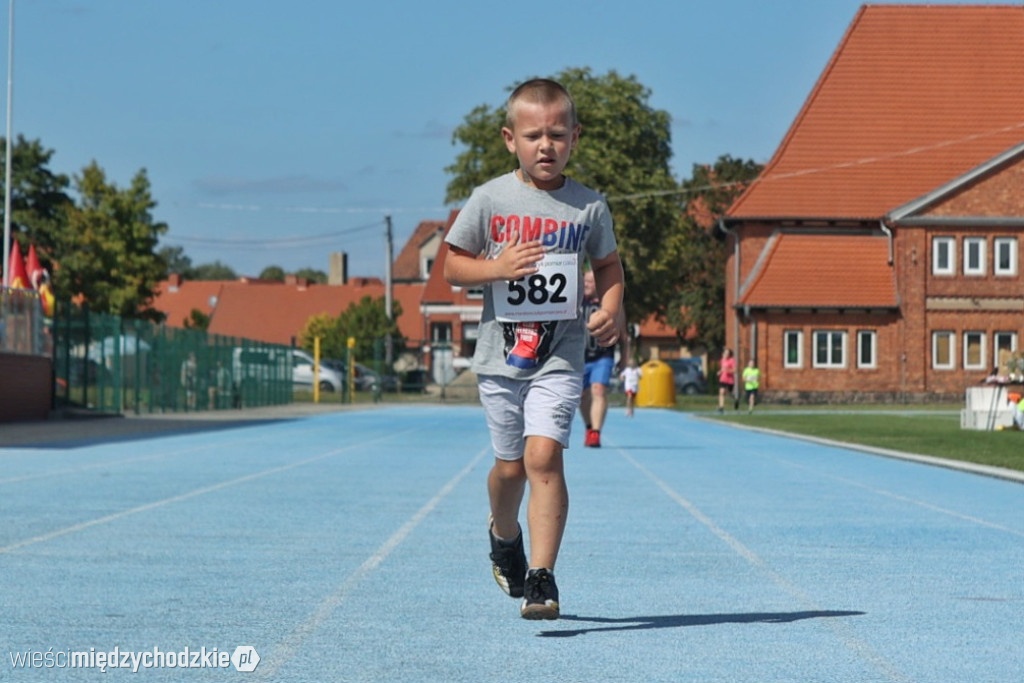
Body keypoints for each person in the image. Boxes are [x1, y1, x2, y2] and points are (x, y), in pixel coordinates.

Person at [443, 78, 624, 621]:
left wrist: (612, 310)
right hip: (501, 358)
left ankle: (542, 577)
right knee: (510, 469)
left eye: (557, 134)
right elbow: (453, 265)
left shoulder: (589, 208)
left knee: (543, 457)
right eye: (533, 135)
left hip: (560, 353)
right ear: (509, 139)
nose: (546, 145)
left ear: (575, 137)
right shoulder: (490, 200)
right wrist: (495, 268)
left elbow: (609, 267)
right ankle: (504, 534)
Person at [580, 270, 617, 446]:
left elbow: (623, 334)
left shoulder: (609, 303)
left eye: (590, 281)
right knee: (582, 396)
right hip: (580, 356)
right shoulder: (576, 301)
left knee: (598, 390)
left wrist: (625, 359)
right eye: (585, 281)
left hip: (603, 355)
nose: (586, 284)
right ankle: (589, 426)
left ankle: (596, 432)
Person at [717, 347, 736, 413]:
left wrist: (727, 370)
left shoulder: (732, 360)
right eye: (725, 353)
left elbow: (734, 370)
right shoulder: (722, 360)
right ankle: (721, 407)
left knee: (729, 394)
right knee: (721, 392)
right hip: (723, 379)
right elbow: (722, 369)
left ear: (729, 354)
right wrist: (720, 372)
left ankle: (735, 399)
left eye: (727, 353)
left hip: (730, 380)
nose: (726, 354)